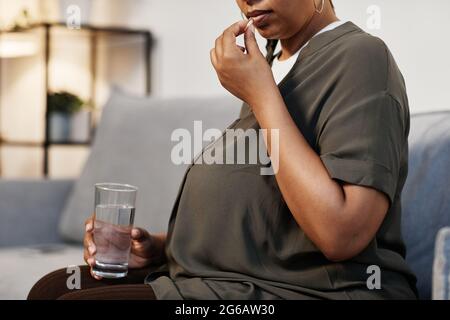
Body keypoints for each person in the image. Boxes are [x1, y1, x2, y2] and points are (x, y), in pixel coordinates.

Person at [28, 0, 418, 300]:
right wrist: (159, 248)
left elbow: (342, 235)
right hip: (240, 280)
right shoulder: (270, 64)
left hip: (310, 291)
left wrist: (261, 93)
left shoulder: (361, 56)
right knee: (52, 288)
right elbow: (268, 213)